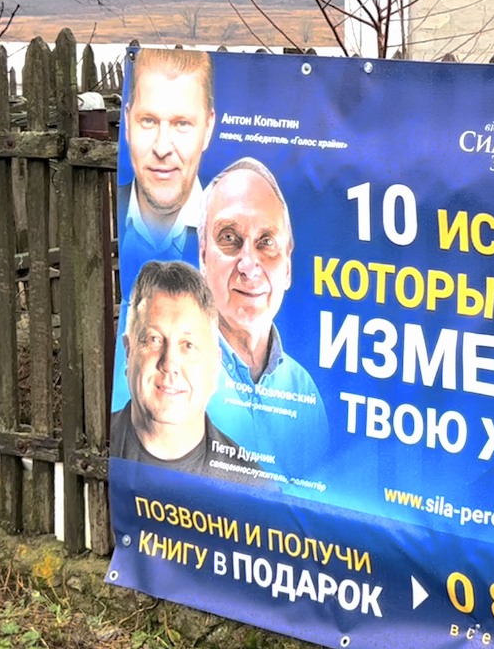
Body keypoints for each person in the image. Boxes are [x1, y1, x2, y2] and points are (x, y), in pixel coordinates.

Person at [201, 158, 329, 476]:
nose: (249, 265)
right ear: (202, 257)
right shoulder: (172, 379)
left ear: (287, 268)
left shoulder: (304, 392)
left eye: (266, 243)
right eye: (229, 238)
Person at [109, 259, 252, 480]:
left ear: (215, 364)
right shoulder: (95, 445)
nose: (169, 363)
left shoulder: (253, 487)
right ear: (128, 351)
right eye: (154, 339)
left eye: (188, 345)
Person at [117, 47, 215, 279]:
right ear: (128, 123)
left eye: (181, 123)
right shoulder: (102, 217)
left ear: (208, 128)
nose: (162, 148)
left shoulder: (231, 232)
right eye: (148, 121)